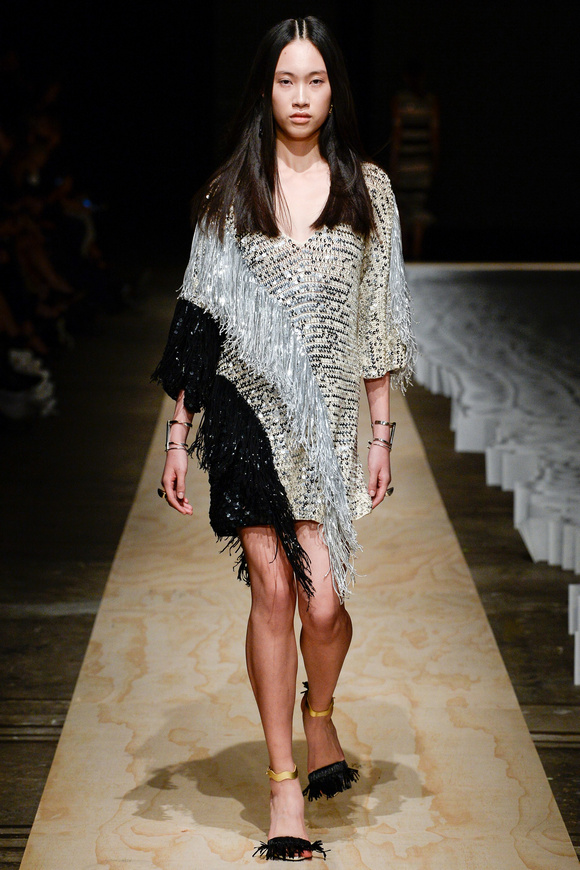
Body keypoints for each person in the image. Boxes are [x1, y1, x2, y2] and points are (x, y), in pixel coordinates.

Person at [152, 16, 415, 862]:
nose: (300, 97)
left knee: (324, 605)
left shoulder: (368, 190)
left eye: (316, 80)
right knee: (273, 593)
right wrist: (178, 436)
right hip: (247, 420)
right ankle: (282, 788)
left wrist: (380, 434)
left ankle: (319, 712)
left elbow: (379, 320)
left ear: (335, 90)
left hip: (329, 426)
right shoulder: (229, 193)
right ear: (264, 90)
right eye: (285, 81)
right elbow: (197, 325)